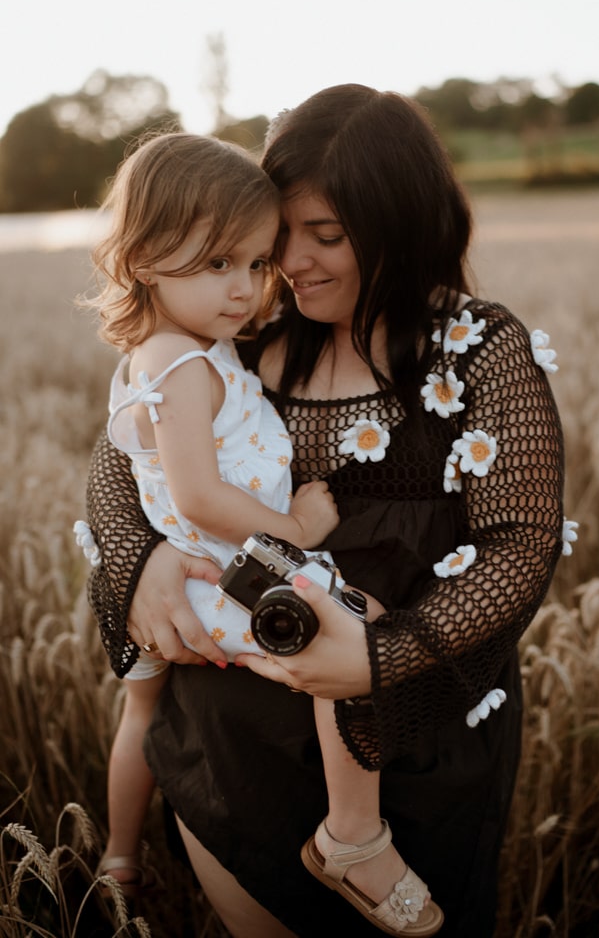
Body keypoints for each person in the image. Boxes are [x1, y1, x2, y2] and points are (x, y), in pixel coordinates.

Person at [83, 85, 566, 937]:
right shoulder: (247, 339)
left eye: (326, 236)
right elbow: (126, 457)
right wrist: (143, 560)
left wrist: (383, 656)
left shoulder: (479, 347)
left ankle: (357, 836)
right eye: (278, 241)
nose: (291, 264)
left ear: (399, 222)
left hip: (418, 729)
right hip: (238, 733)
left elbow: (521, 542)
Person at [78, 130, 443, 934]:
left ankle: (120, 857)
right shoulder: (179, 364)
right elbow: (201, 498)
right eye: (217, 265)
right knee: (353, 647)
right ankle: (351, 836)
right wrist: (294, 525)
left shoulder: (188, 349)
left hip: (218, 569)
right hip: (221, 577)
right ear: (142, 257)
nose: (245, 289)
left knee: (138, 715)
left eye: (253, 263)